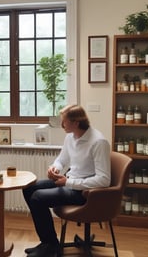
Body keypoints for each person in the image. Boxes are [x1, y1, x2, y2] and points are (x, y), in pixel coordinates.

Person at [22, 104, 111, 257]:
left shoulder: (98, 142)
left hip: (84, 192)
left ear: (76, 123)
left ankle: (50, 245)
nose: (62, 124)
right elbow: (62, 159)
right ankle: (48, 242)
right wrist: (54, 168)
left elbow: (104, 180)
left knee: (37, 198)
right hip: (70, 180)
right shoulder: (71, 136)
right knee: (29, 188)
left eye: (64, 121)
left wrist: (68, 182)